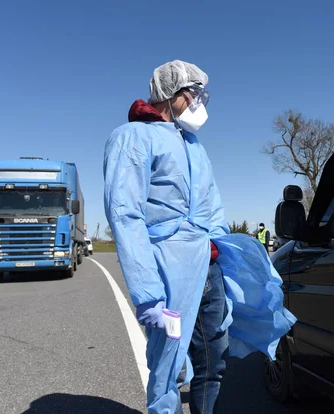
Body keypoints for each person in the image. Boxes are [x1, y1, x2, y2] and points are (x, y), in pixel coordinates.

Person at [104, 60, 229, 414]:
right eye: (194, 93)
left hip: (208, 270)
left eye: (203, 95)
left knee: (214, 362)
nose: (199, 102)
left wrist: (221, 251)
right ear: (168, 93)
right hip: (167, 273)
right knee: (168, 371)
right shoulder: (132, 137)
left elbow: (212, 207)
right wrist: (147, 295)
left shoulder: (195, 146)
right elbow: (125, 214)